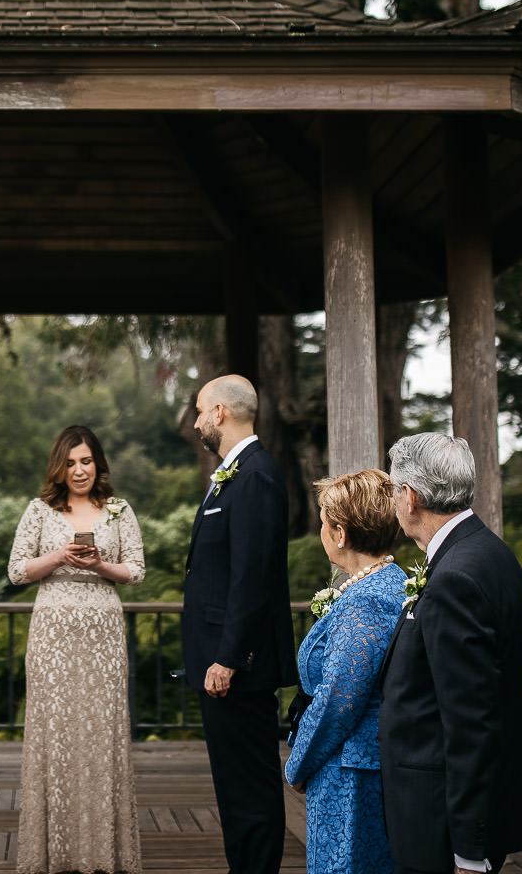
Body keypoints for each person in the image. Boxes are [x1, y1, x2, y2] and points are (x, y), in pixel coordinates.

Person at [378, 433, 522, 874]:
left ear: (410, 498)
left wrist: (469, 852)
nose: (395, 501)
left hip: (439, 817)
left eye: (395, 490)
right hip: (459, 803)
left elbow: (471, 719)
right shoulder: (488, 552)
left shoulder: (456, 576)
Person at [7, 424, 147, 874]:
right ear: (59, 468)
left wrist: (100, 564)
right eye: (70, 463)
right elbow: (16, 571)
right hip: (52, 636)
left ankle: (104, 853)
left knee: (100, 734)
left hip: (103, 634)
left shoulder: (120, 510)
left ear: (98, 463)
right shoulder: (39, 510)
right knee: (56, 734)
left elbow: (137, 571)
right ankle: (54, 853)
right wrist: (60, 557)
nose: (79, 469)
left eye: (86, 461)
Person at [182, 374, 298, 874]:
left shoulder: (255, 475)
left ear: (221, 414)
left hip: (237, 666)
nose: (196, 421)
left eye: (200, 411)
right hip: (222, 659)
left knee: (249, 784)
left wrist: (230, 657)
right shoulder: (235, 472)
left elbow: (252, 577)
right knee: (233, 784)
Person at [285, 468, 406, 874]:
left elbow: (339, 699)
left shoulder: (366, 602)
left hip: (352, 772)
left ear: (341, 534)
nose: (320, 530)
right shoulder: (383, 584)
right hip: (359, 762)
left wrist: (298, 763)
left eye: (323, 521)